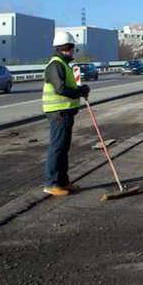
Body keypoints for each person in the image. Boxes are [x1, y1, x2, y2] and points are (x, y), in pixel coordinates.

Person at [42, 30, 90, 196]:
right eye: (71, 48)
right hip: (58, 113)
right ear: (66, 47)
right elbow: (61, 89)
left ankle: (63, 182)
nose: (72, 52)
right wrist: (79, 92)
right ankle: (52, 183)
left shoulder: (64, 65)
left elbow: (68, 87)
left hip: (65, 112)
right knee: (57, 148)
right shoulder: (56, 65)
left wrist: (80, 90)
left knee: (63, 148)